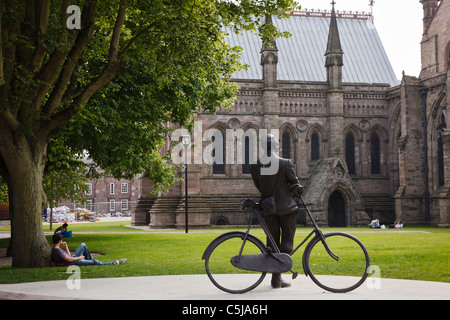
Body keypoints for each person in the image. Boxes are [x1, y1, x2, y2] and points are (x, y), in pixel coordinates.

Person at [250, 134, 303, 289]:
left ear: (261, 146)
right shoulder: (285, 163)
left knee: (272, 243)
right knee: (287, 244)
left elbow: (258, 186)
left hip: (268, 208)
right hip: (286, 208)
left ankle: (276, 279)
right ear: (275, 145)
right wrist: (296, 188)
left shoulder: (255, 166)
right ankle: (277, 277)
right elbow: (294, 183)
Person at [51, 233, 127, 266]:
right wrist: (80, 257)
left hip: (72, 259)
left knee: (83, 245)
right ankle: (114, 263)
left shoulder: (58, 248)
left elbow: (69, 256)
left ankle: (90, 261)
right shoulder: (57, 250)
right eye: (61, 240)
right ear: (59, 241)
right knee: (95, 262)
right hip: (72, 263)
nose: (62, 241)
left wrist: (66, 246)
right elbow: (69, 260)